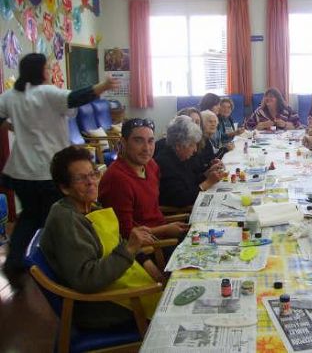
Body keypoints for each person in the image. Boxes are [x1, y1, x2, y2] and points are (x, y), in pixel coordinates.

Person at [0, 53, 119, 288]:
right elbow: (76, 97)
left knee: (30, 215)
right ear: (40, 71)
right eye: (47, 67)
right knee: (59, 218)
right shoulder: (47, 92)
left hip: (21, 171)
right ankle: (56, 265)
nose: (49, 70)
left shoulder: (11, 96)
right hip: (48, 169)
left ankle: (15, 260)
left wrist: (14, 127)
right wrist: (104, 85)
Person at [41, 146, 161, 329]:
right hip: (98, 305)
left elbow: (116, 242)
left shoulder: (90, 206)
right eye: (81, 178)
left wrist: (148, 265)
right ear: (64, 188)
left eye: (93, 174)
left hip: (117, 285)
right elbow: (87, 279)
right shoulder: (66, 220)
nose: (91, 182)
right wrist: (129, 249)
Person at [98, 118, 187, 240]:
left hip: (163, 231)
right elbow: (126, 234)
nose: (146, 148)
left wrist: (168, 226)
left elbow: (151, 210)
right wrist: (165, 230)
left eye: (150, 141)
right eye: (138, 141)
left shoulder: (151, 165)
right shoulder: (116, 179)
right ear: (123, 142)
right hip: (151, 247)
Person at [157, 116, 224, 207]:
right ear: (178, 146)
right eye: (192, 145)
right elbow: (181, 198)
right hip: (180, 213)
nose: (195, 150)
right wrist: (207, 183)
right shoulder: (165, 163)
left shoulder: (181, 156)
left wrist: (207, 174)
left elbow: (191, 182)